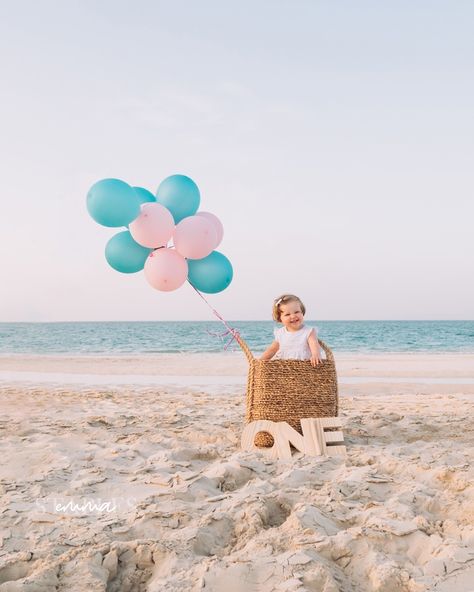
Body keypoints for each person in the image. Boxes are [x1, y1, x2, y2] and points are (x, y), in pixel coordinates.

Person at [260, 294, 322, 367]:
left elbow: (314, 345)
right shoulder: (280, 333)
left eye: (296, 312)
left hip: (304, 368)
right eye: (287, 314)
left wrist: (315, 355)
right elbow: (272, 349)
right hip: (284, 369)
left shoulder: (308, 331)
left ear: (302, 312)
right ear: (280, 319)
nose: (293, 316)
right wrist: (261, 361)